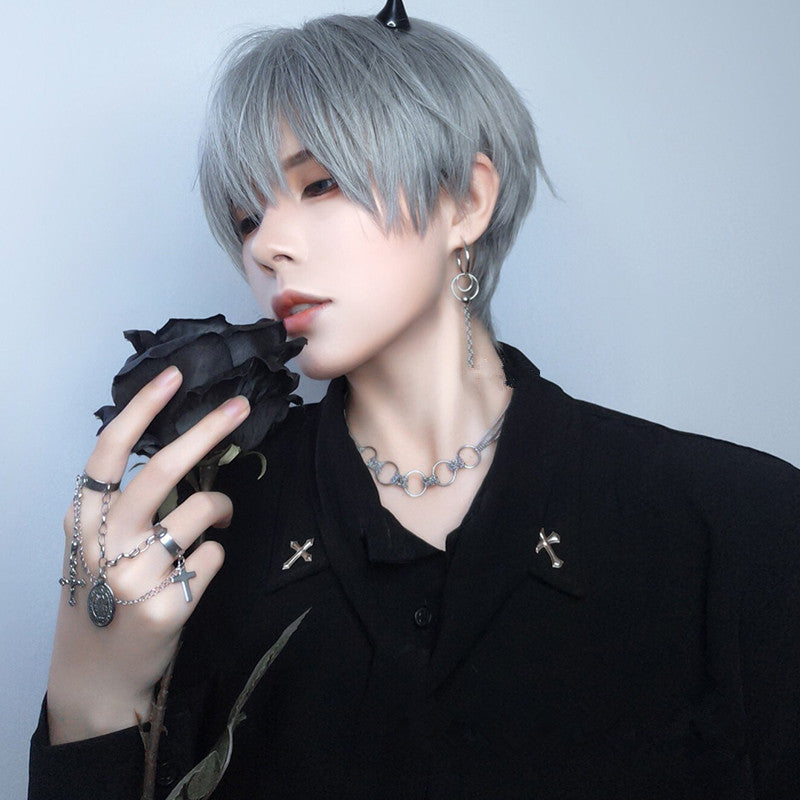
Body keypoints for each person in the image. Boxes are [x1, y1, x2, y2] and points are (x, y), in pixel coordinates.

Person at [29, 3, 800, 798]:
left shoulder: (739, 522)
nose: (266, 246)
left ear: (465, 201)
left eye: (320, 184)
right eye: (247, 217)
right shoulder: (200, 538)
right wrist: (90, 697)